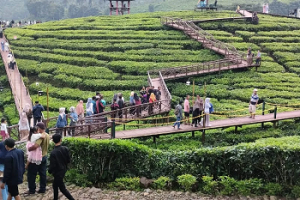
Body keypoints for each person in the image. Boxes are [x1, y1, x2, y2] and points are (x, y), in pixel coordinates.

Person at [48, 134, 75, 200]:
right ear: (60, 139)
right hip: (63, 169)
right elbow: (68, 160)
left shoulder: (53, 153)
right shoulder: (65, 149)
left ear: (53, 141)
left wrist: (49, 171)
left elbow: (53, 165)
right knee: (55, 185)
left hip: (57, 172)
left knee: (62, 188)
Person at [26, 122, 50, 195]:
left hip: (37, 158)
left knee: (31, 174)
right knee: (42, 173)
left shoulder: (40, 137)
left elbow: (36, 146)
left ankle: (32, 189)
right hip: (44, 156)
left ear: (39, 128)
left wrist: (29, 149)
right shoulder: (48, 135)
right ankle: (42, 188)